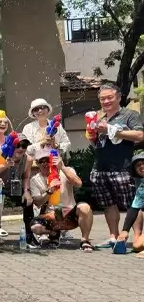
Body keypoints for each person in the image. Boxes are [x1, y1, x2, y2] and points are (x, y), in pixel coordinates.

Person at [87, 81, 144, 243]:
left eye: (109, 98)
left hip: (123, 167)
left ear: (119, 97)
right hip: (100, 168)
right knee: (108, 204)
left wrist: (112, 130)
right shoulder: (100, 118)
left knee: (132, 204)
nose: (106, 101)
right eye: (102, 99)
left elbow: (140, 136)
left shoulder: (129, 115)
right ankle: (114, 236)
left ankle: (137, 238)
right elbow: (99, 143)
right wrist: (93, 137)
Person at [27, 148, 93, 252]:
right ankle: (54, 234)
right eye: (41, 161)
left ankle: (85, 240)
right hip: (52, 216)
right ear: (37, 163)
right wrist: (49, 191)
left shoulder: (66, 170)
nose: (45, 164)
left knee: (85, 207)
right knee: (35, 227)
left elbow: (78, 184)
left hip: (69, 214)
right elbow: (38, 202)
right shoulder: (35, 179)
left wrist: (62, 167)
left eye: (47, 160)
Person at [115, 149, 144, 252]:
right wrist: (124, 230)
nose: (141, 166)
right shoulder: (142, 188)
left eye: (143, 163)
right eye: (138, 165)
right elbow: (134, 209)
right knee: (137, 246)